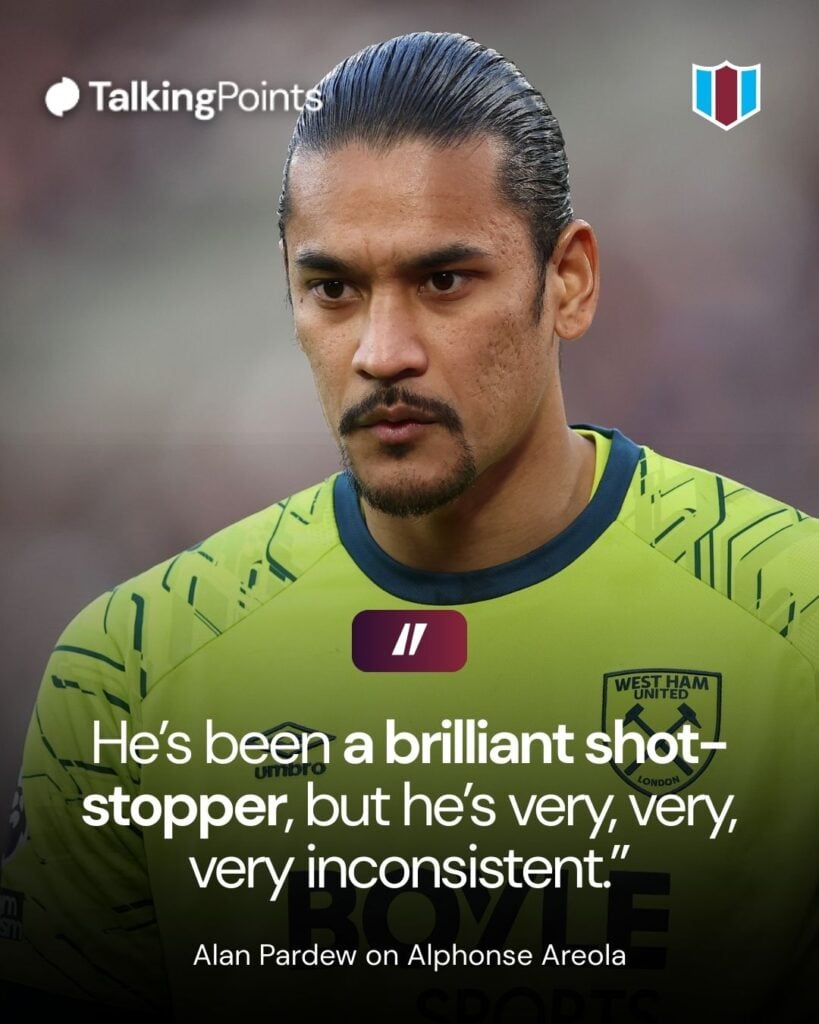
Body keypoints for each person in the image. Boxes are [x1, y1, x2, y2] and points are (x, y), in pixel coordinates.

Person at [2, 31, 818, 1024]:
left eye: (443, 281)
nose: (382, 352)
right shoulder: (134, 669)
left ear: (567, 282)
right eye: (334, 289)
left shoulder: (793, 619)